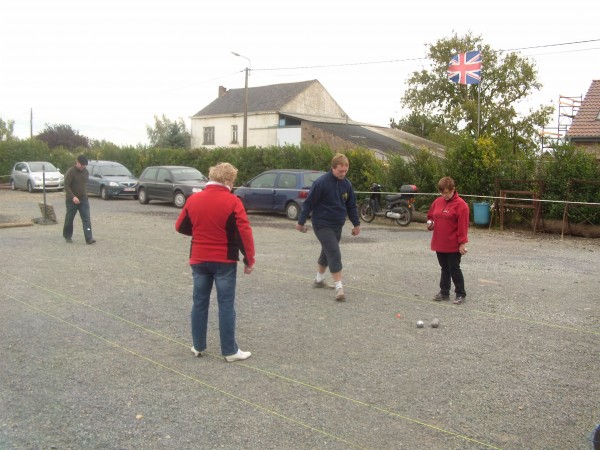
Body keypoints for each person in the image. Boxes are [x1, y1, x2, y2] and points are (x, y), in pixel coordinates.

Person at [175, 162, 255, 362]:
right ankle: (229, 351)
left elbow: (180, 226)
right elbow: (244, 232)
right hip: (224, 261)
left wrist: (201, 233)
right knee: (226, 304)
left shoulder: (194, 199)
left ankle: (198, 346)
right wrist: (249, 259)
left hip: (199, 258)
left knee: (199, 303)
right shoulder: (233, 201)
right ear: (228, 180)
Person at [296, 153, 360, 302]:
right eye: (340, 171)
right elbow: (309, 203)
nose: (343, 174)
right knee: (334, 252)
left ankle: (319, 280)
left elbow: (351, 206)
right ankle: (339, 287)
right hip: (322, 224)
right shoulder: (321, 183)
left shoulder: (347, 185)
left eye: (346, 171)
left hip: (337, 224)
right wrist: (301, 222)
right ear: (333, 168)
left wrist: (356, 224)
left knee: (327, 251)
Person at [427, 176, 469, 304]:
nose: (444, 195)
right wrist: (430, 223)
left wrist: (462, 243)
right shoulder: (437, 202)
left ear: (453, 189)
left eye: (446, 193)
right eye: (442, 193)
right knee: (444, 268)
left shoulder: (462, 205)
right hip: (439, 242)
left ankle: (460, 293)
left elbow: (463, 226)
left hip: (453, 244)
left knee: (454, 268)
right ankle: (444, 292)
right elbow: (430, 217)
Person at [63, 154, 95, 244]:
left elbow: (84, 185)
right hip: (71, 200)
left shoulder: (86, 172)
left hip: (83, 199)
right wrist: (73, 197)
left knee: (86, 219)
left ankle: (89, 238)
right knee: (69, 218)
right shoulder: (71, 172)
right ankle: (67, 236)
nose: (83, 167)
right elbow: (66, 185)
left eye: (85, 165)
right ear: (77, 162)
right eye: (82, 165)